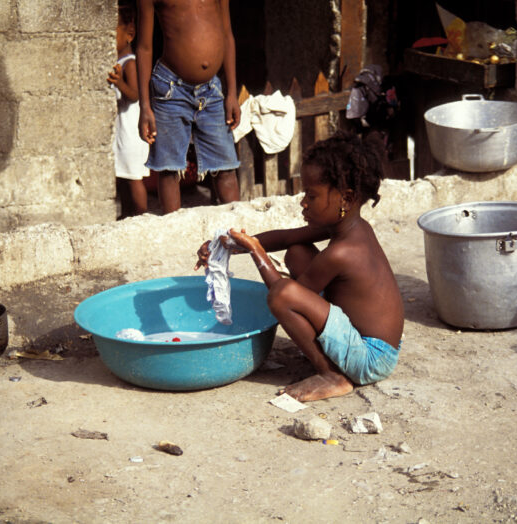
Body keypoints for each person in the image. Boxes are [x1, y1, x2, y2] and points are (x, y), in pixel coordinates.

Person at [195, 133, 404, 402]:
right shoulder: (351, 226)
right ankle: (332, 361)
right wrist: (230, 245)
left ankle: (331, 374)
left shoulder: (343, 252)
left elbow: (284, 294)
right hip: (378, 342)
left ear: (346, 199)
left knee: (282, 296)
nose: (303, 201)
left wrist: (256, 251)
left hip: (370, 358)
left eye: (312, 195)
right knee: (297, 252)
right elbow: (286, 238)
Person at [136, 0, 241, 214]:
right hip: (170, 88)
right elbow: (144, 47)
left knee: (225, 166)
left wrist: (232, 93)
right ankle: (174, 233)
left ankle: (236, 234)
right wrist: (145, 106)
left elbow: (227, 35)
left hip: (212, 90)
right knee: (169, 167)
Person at [109, 1, 151, 218]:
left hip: (132, 133)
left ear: (130, 33)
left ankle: (141, 215)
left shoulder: (130, 63)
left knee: (134, 177)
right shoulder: (119, 61)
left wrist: (119, 84)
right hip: (122, 133)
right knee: (124, 177)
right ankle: (127, 215)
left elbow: (134, 94)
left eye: (113, 29)